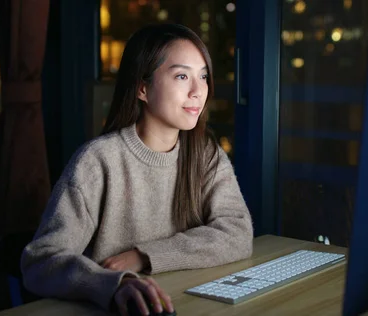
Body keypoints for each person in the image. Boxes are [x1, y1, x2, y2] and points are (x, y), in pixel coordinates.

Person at [20, 23, 254, 316]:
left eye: (203, 76)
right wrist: (113, 284)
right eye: (182, 76)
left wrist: (143, 257)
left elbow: (237, 233)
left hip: (183, 303)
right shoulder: (98, 161)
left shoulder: (205, 154)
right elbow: (40, 261)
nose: (198, 91)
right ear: (142, 88)